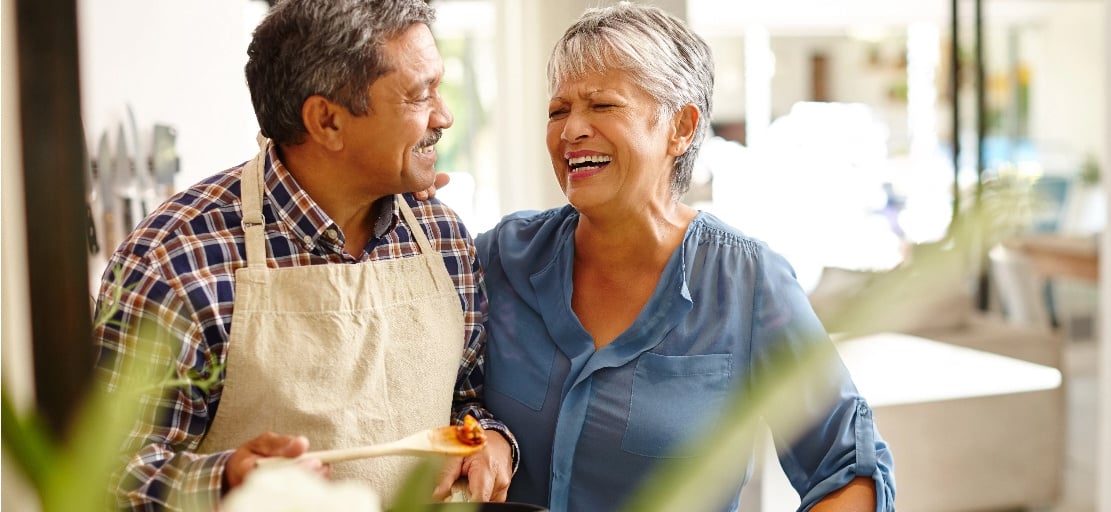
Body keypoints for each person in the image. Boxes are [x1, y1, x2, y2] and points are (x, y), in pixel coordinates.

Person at [91, 1, 515, 509]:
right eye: (419, 95)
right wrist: (225, 481)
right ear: (327, 121)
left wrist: (490, 439)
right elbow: (105, 474)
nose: (443, 116)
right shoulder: (174, 262)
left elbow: (466, 401)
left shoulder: (442, 237)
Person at [472, 3, 896, 511]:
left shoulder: (746, 282)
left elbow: (848, 465)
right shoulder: (501, 258)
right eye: (558, 110)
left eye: (601, 106)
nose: (571, 131)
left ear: (681, 127)